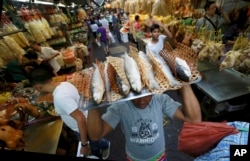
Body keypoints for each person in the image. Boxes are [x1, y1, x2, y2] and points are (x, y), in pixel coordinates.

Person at [87, 85, 202, 161]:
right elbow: (96, 135)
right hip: (134, 158)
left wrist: (185, 84)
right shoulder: (121, 106)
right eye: (136, 95)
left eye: (147, 94)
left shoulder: (160, 100)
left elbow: (194, 119)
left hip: (160, 156)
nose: (142, 101)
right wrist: (92, 102)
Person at [28, 68, 111, 160]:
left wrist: (84, 144)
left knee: (94, 142)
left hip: (84, 127)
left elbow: (80, 119)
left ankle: (105, 145)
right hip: (86, 122)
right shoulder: (64, 84)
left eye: (36, 88)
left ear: (38, 87)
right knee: (94, 140)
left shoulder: (60, 97)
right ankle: (99, 145)